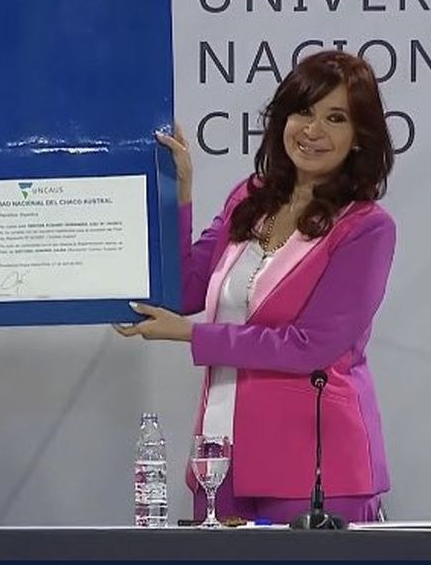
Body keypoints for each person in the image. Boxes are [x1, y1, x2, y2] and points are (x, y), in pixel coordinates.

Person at [114, 50, 395, 523]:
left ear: (360, 138)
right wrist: (177, 192)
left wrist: (191, 334)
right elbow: (182, 290)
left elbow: (310, 346)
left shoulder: (366, 228)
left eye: (336, 117)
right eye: (303, 111)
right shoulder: (251, 197)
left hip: (317, 467)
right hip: (221, 460)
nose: (312, 130)